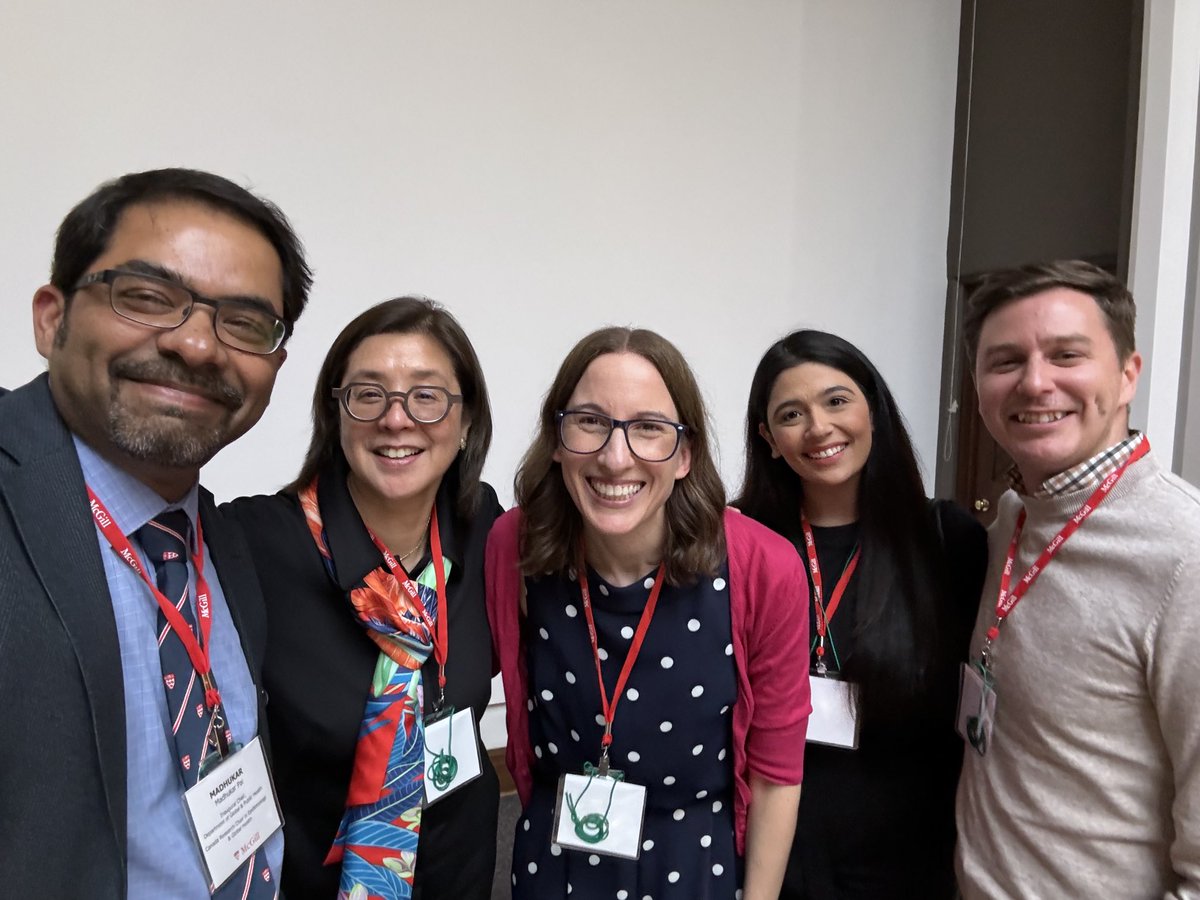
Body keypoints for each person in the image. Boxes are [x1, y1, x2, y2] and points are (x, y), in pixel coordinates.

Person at [0, 168, 312, 898]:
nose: (199, 346)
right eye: (147, 297)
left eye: (243, 322)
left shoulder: (224, 541)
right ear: (52, 317)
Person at [487, 326, 811, 900]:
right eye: (590, 422)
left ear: (685, 454)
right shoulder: (514, 545)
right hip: (553, 866)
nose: (616, 458)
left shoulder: (765, 566)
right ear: (557, 439)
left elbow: (775, 772)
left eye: (649, 429)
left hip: (694, 867)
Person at [223, 297, 501, 900]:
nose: (396, 419)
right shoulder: (253, 543)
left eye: (426, 396)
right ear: (338, 413)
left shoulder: (486, 531)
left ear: (467, 419)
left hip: (462, 873)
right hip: (308, 882)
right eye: (368, 394)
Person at [954, 260, 1200, 898]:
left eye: (1067, 355)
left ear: (1126, 376)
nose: (1036, 383)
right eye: (1005, 361)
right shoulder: (1014, 516)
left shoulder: (1184, 554)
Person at [734, 329, 986, 899]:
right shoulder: (738, 543)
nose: (819, 427)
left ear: (875, 410)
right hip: (770, 855)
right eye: (791, 414)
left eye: (837, 400)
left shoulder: (947, 542)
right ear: (769, 438)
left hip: (906, 861)